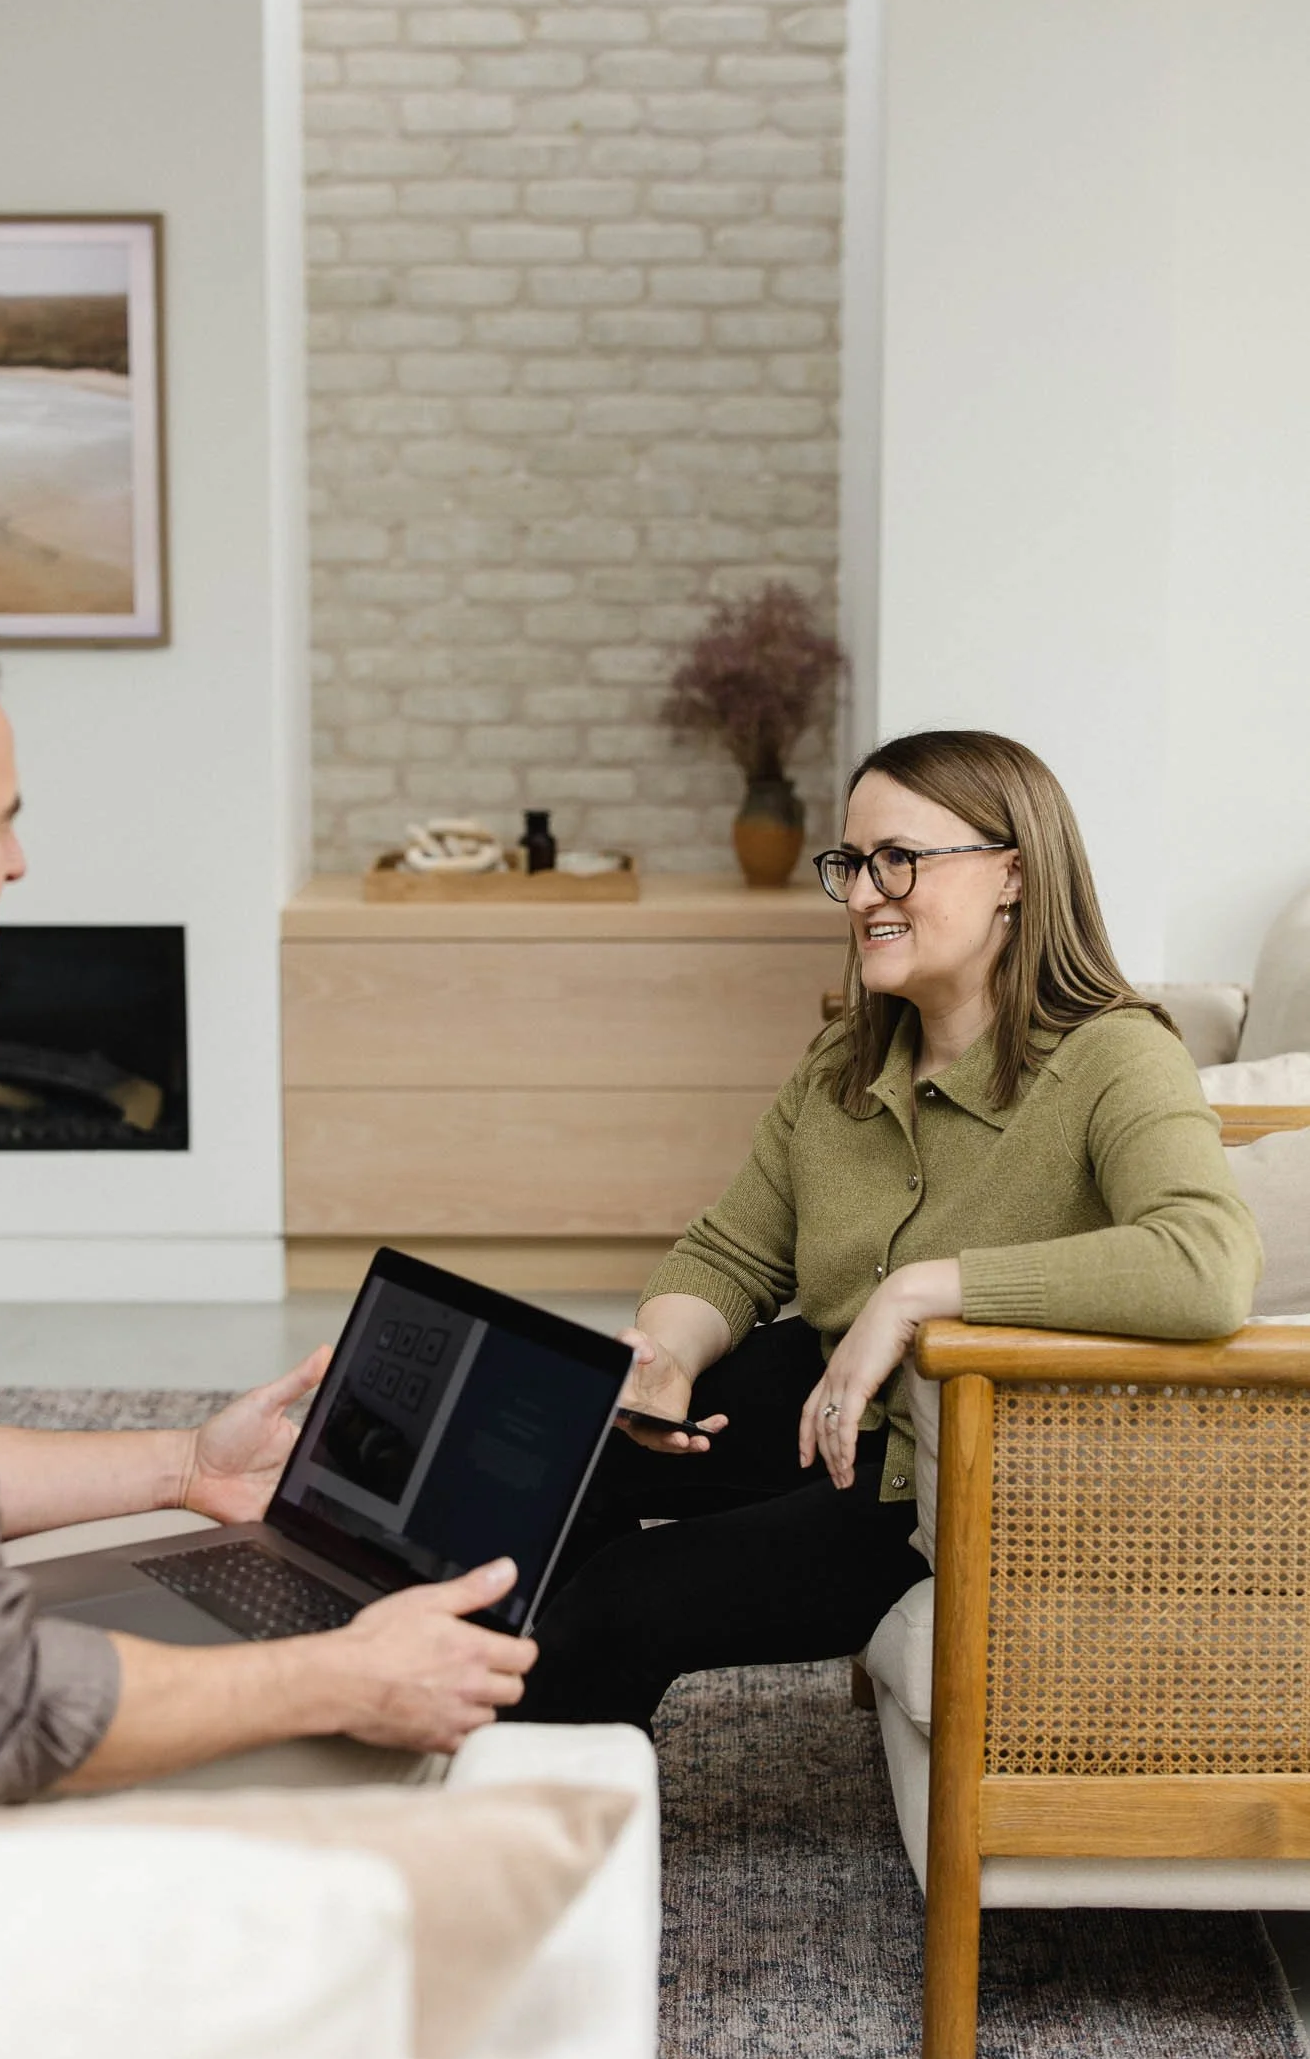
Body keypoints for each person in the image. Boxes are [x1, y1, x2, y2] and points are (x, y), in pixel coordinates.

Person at [0, 614, 535, 1823]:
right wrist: (339, 1677)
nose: (21, 864)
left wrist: (180, 1465)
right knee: (416, 1756)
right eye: (4, 823)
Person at [516, 728, 1262, 1730]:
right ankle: (466, 1737)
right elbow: (729, 1251)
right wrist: (666, 1355)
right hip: (826, 1411)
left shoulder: (1116, 1059)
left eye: (899, 861)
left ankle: (522, 1839)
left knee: (626, 1600)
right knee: (550, 1453)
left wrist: (921, 1292)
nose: (866, 893)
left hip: (950, 1477)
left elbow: (1207, 1265)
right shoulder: (845, 1062)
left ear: (1012, 874)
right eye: (853, 864)